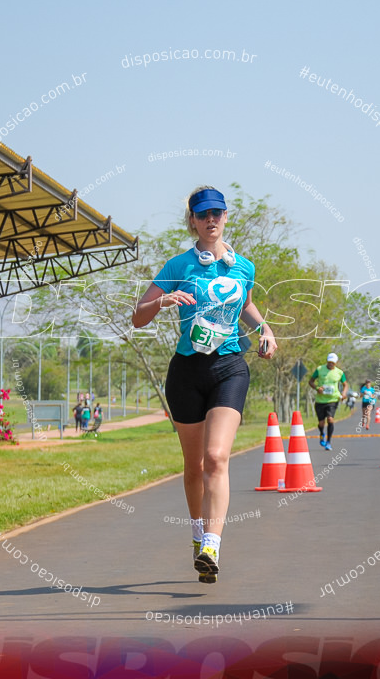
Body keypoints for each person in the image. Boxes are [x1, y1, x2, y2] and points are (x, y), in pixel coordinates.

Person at [131, 185, 276, 584]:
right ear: (192, 221)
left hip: (229, 366)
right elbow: (137, 317)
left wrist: (265, 329)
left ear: (226, 217)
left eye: (218, 213)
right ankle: (198, 535)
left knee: (216, 458)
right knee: (194, 465)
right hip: (187, 372)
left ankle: (212, 542)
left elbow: (245, 303)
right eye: (203, 214)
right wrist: (161, 302)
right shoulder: (179, 265)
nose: (211, 220)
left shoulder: (241, 267)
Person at [308, 352, 347, 451]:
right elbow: (311, 381)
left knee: (330, 419)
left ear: (336, 363)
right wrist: (317, 388)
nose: (331, 364)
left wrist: (343, 394)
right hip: (320, 400)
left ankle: (329, 442)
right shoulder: (320, 369)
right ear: (327, 361)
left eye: (333, 363)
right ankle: (322, 434)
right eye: (329, 362)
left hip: (332, 399)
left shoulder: (339, 372)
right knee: (321, 423)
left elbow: (345, 384)